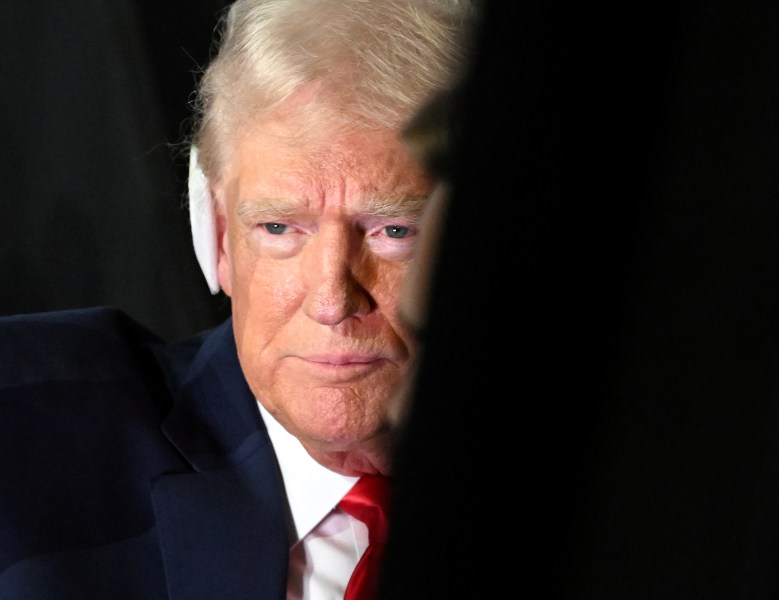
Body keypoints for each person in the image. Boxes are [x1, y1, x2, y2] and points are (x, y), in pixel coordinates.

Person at [0, 0, 474, 598]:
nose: (331, 300)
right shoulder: (18, 435)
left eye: (394, 232)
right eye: (279, 228)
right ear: (218, 237)